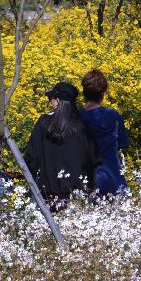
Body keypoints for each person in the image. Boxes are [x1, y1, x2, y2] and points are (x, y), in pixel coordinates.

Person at [24, 82, 101, 210]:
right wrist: (92, 188)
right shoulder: (83, 125)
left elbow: (31, 158)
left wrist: (29, 188)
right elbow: (95, 160)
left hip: (47, 195)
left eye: (51, 99)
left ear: (58, 101)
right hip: (77, 196)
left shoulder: (44, 123)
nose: (50, 102)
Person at [79, 69, 130, 196]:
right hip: (113, 177)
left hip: (87, 180)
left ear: (84, 92)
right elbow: (123, 142)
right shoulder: (113, 115)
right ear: (103, 93)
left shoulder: (77, 116)